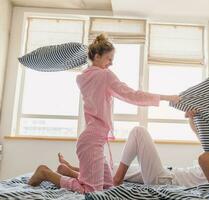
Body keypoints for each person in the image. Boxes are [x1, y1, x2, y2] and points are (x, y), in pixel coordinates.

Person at [28, 33, 180, 193]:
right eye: (109, 59)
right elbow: (133, 95)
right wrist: (165, 97)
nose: (111, 63)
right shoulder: (104, 75)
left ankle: (66, 171)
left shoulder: (84, 77)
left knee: (110, 187)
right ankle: (45, 173)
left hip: (92, 140)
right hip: (92, 141)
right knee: (90, 191)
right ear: (97, 56)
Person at [54, 111, 209, 188]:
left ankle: (116, 182)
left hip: (164, 182)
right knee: (112, 166)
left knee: (139, 132)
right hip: (166, 172)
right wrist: (192, 118)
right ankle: (73, 170)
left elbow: (203, 159)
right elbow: (199, 134)